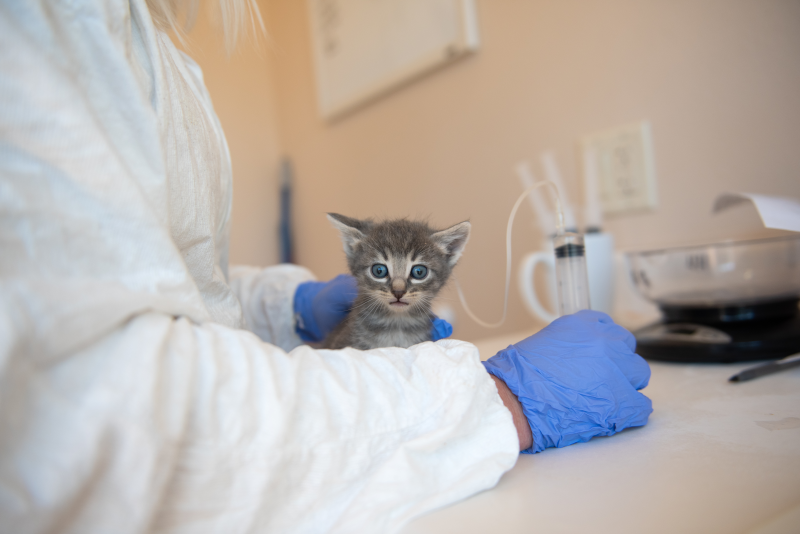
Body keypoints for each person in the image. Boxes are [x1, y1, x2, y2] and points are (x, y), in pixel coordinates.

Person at [0, 0, 653, 532]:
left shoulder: (150, 30)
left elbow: (159, 283)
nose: (397, 286)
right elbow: (101, 412)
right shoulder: (47, 21)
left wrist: (283, 306)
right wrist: (494, 400)